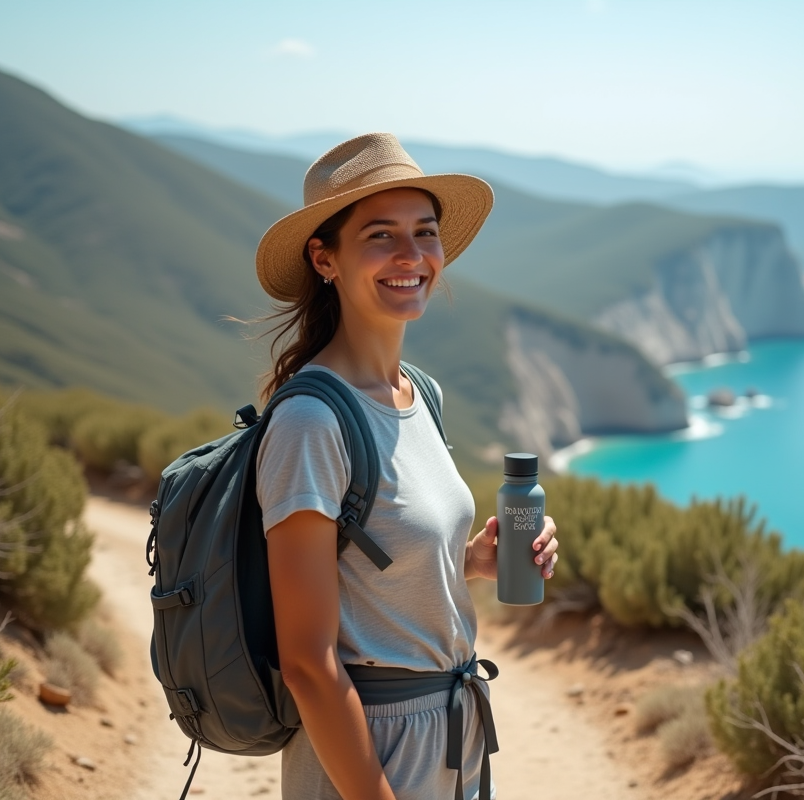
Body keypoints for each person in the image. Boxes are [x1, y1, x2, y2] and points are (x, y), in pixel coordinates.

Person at [253, 133, 560, 800]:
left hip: (453, 736)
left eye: (425, 232)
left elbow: (378, 570)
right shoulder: (311, 423)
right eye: (380, 236)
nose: (411, 256)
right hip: (368, 753)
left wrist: (472, 561)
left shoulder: (421, 396)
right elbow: (307, 662)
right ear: (324, 258)